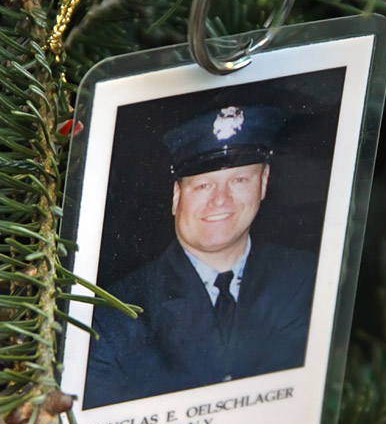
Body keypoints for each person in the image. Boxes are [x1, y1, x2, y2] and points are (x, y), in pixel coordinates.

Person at [83, 104, 318, 408]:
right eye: (204, 185)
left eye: (239, 180)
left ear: (263, 182)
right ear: (176, 196)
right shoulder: (115, 317)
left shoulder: (308, 279)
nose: (221, 200)